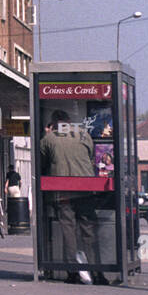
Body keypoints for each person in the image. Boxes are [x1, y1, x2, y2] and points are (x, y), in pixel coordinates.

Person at [39, 110, 106, 285]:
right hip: (86, 190)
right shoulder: (84, 134)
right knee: (89, 232)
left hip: (62, 193)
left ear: (53, 123)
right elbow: (90, 155)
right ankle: (97, 272)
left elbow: (42, 163)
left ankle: (73, 273)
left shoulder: (48, 139)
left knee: (69, 232)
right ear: (69, 121)